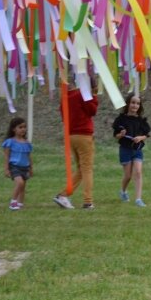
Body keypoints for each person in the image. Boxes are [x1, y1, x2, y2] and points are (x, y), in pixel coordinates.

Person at [53, 79, 98, 210]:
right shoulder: (83, 95)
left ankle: (63, 195)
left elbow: (63, 116)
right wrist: (94, 96)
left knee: (81, 168)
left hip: (70, 136)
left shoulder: (65, 98)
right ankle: (88, 201)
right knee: (87, 168)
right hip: (84, 136)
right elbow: (92, 110)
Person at [112, 93, 151, 207]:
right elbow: (116, 135)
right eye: (133, 102)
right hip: (125, 150)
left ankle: (138, 199)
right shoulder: (121, 120)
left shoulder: (141, 121)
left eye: (138, 103)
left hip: (137, 150)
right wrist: (121, 134)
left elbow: (146, 135)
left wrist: (140, 138)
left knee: (138, 172)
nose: (135, 105)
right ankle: (123, 192)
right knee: (128, 176)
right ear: (128, 103)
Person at [2, 117, 33, 211]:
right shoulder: (10, 142)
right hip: (14, 166)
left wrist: (31, 168)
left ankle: (20, 203)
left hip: (25, 167)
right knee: (19, 183)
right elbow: (7, 156)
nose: (23, 129)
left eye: (24, 127)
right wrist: (6, 169)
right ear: (13, 129)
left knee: (23, 187)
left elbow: (29, 156)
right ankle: (13, 202)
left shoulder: (27, 143)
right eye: (20, 127)